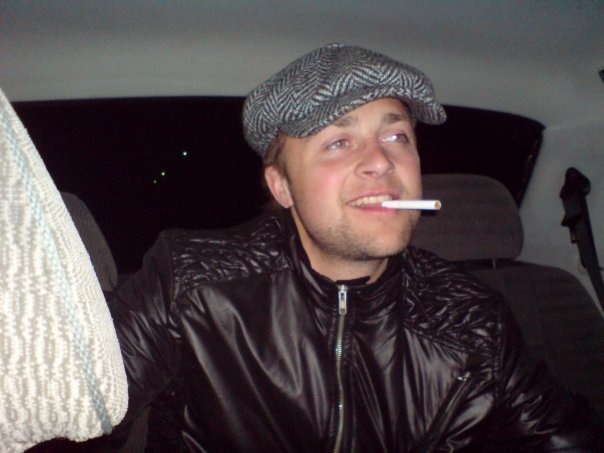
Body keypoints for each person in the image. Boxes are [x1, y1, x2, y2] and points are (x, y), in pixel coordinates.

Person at [106, 44, 602, 451]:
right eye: (338, 142)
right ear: (282, 186)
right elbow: (82, 417)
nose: (381, 161)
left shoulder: (474, 319)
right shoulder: (191, 282)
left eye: (397, 135)